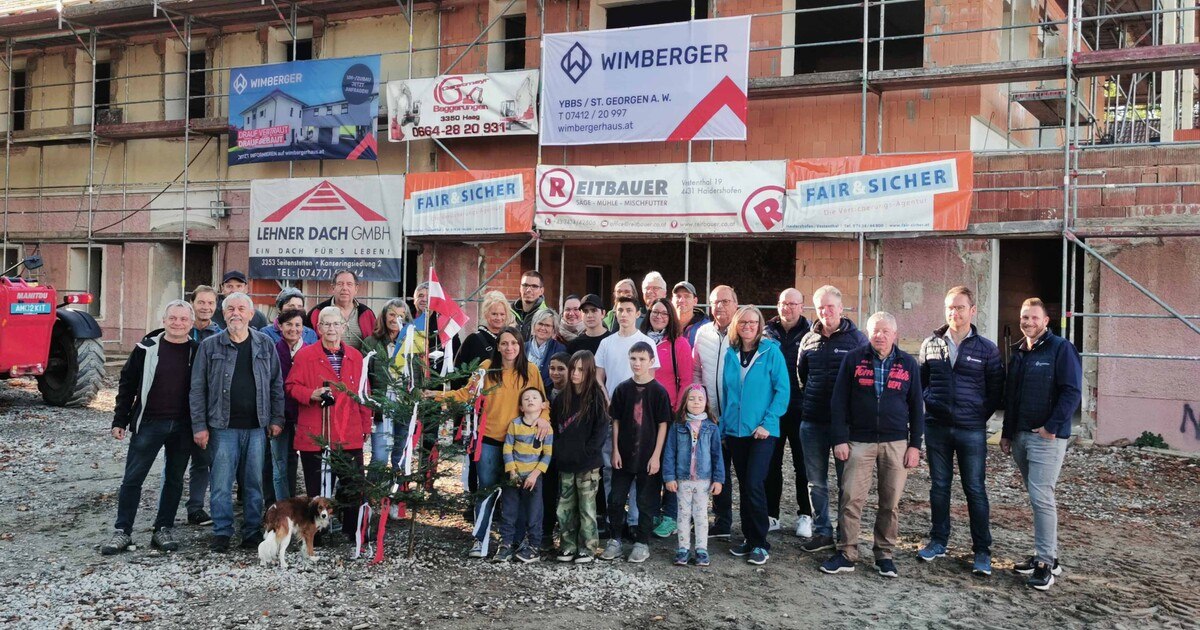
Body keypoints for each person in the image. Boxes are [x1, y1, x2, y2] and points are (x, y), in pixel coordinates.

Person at [430, 327, 550, 558]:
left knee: (515, 492)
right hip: (489, 441)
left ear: (521, 346)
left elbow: (542, 403)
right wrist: (434, 395)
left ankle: (514, 541)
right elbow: (466, 394)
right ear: (497, 346)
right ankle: (480, 538)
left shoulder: (531, 371)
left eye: (514, 343)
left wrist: (544, 420)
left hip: (519, 444)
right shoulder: (486, 368)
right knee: (485, 491)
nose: (509, 348)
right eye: (504, 343)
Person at [822, 312, 923, 579]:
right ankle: (846, 552)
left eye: (885, 331)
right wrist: (839, 439)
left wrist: (915, 445)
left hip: (896, 442)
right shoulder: (853, 359)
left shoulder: (909, 364)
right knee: (851, 498)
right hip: (858, 441)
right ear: (868, 333)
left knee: (890, 502)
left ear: (895, 334)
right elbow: (838, 401)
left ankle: (884, 554)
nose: (880, 336)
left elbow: (916, 407)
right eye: (875, 331)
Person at [917, 286, 1004, 576]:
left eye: (960, 307)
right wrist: (931, 404)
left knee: (975, 489)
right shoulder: (931, 343)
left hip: (971, 430)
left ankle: (981, 550)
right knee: (939, 487)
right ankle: (938, 540)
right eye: (950, 308)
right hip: (937, 428)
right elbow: (922, 381)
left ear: (972, 310)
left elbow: (995, 391)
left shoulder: (987, 349)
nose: (955, 313)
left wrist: (978, 414)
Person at [102, 300, 199, 555]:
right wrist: (119, 420)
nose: (177, 323)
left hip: (183, 426)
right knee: (133, 478)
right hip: (149, 423)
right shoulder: (146, 349)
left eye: (183, 319)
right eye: (173, 318)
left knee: (174, 479)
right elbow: (127, 384)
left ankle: (163, 529)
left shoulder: (197, 351)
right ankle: (123, 530)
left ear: (191, 323)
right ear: (164, 320)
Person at [190, 292, 285, 552]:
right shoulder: (210, 346)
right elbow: (197, 388)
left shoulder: (265, 344)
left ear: (251, 314)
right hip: (222, 427)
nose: (236, 313)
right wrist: (199, 425)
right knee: (221, 483)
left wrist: (277, 418)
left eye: (242, 308)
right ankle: (222, 532)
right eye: (230, 308)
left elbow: (276, 384)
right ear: (224, 313)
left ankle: (252, 533)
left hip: (257, 427)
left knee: (253, 483)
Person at [1001, 297, 1082, 591]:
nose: (1028, 322)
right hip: (1021, 436)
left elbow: (1072, 391)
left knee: (1041, 498)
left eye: (1034, 317)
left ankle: (1045, 564)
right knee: (1038, 498)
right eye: (1024, 317)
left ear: (1046, 321)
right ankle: (1049, 556)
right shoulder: (1019, 352)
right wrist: (1007, 433)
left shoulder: (1061, 349)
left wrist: (1051, 427)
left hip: (1046, 439)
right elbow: (1012, 396)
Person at [286, 306, 374, 539]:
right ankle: (317, 533)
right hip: (316, 433)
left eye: (336, 324)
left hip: (348, 432)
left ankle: (354, 531)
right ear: (318, 328)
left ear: (344, 327)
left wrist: (366, 426)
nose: (331, 329)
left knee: (354, 486)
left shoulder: (356, 357)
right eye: (326, 324)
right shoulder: (305, 356)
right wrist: (311, 394)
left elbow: (364, 395)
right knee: (317, 490)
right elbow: (291, 387)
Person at [796, 285, 867, 553]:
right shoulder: (808, 339)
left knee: (845, 483)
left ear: (841, 307)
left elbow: (863, 381)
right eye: (820, 307)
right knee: (816, 481)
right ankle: (822, 532)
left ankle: (845, 535)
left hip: (845, 427)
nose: (826, 311)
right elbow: (802, 377)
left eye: (830, 306)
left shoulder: (857, 340)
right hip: (812, 421)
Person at [721, 306, 789, 566]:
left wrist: (768, 423)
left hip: (761, 432)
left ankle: (761, 542)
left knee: (753, 483)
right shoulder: (731, 354)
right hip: (736, 432)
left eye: (753, 322)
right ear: (736, 326)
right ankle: (749, 539)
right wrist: (725, 427)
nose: (748, 326)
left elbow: (782, 391)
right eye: (743, 322)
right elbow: (727, 393)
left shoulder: (771, 352)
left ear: (760, 325)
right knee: (743, 485)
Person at [599, 342, 670, 564]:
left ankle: (642, 542)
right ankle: (615, 539)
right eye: (633, 359)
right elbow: (616, 421)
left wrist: (657, 455)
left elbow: (663, 425)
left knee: (645, 501)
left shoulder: (658, 391)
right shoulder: (622, 389)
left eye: (641, 359)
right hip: (624, 455)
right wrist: (616, 451)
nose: (637, 363)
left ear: (651, 361)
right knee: (616, 499)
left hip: (648, 456)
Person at [596, 296, 661, 537]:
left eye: (629, 310)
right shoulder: (607, 343)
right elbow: (598, 377)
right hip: (612, 414)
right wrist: (607, 399)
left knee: (637, 470)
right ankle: (615, 520)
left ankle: (634, 521)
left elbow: (651, 379)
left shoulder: (645, 342)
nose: (624, 314)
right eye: (620, 310)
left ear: (637, 313)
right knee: (611, 468)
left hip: (640, 419)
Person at [640, 296, 694, 539]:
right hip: (643, 414)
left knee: (669, 464)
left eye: (664, 313)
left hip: (668, 414)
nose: (658, 316)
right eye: (654, 312)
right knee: (649, 465)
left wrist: (677, 410)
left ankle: (671, 514)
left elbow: (686, 380)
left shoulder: (679, 344)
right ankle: (650, 511)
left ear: (671, 317)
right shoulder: (641, 342)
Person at [551, 350, 609, 564]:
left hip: (588, 464)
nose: (575, 373)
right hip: (565, 462)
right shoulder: (562, 398)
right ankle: (567, 545)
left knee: (587, 507)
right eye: (573, 368)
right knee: (565, 507)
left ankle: (588, 547)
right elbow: (554, 428)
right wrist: (559, 451)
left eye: (581, 369)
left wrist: (586, 452)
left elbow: (601, 432)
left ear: (589, 371)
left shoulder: (596, 398)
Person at [763, 288, 813, 537]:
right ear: (778, 305)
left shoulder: (813, 333)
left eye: (794, 304)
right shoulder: (766, 333)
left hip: (801, 409)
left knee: (803, 465)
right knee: (771, 464)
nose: (788, 308)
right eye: (784, 303)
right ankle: (772, 515)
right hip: (773, 410)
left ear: (802, 307)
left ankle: (805, 514)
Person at [691, 285, 738, 539]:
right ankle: (721, 522)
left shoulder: (744, 331)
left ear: (735, 304)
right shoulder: (702, 333)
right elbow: (697, 371)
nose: (719, 306)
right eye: (715, 302)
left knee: (744, 471)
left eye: (725, 301)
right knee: (716, 469)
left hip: (738, 415)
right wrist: (704, 408)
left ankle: (756, 521)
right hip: (711, 415)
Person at [662, 384, 724, 567]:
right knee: (682, 514)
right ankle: (683, 549)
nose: (696, 402)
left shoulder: (712, 428)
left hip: (703, 480)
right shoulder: (677, 426)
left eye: (700, 399)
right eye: (692, 398)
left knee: (701, 515)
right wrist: (669, 477)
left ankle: (701, 549)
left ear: (706, 403)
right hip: (682, 479)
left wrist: (718, 480)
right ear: (685, 402)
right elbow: (670, 452)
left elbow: (717, 455)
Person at [361, 298, 426, 471]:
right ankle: (373, 496)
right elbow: (364, 378)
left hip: (405, 406)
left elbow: (418, 376)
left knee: (401, 458)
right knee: (380, 458)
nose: (395, 318)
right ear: (384, 316)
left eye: (400, 315)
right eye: (391, 314)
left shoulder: (412, 343)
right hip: (381, 407)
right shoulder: (371, 342)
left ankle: (398, 495)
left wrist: (416, 399)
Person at [495, 388, 556, 563]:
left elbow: (547, 454)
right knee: (509, 510)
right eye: (526, 398)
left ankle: (534, 546)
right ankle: (506, 544)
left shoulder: (546, 429)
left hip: (534, 477)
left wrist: (535, 475)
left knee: (534, 511)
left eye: (535, 398)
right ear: (521, 407)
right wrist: (512, 471)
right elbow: (507, 448)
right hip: (513, 476)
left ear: (542, 404)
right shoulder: (515, 424)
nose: (530, 400)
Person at [184, 285, 221, 526]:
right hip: (178, 405)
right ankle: (165, 510)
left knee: (203, 460)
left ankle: (195, 508)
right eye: (201, 302)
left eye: (210, 303)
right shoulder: (179, 329)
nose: (206, 307)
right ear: (192, 303)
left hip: (205, 407)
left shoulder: (219, 335)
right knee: (174, 462)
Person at [270, 309, 312, 502]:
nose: (293, 329)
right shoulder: (273, 350)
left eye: (297, 325)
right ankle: (283, 507)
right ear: (280, 326)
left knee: (309, 463)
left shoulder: (310, 352)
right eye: (288, 324)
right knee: (280, 464)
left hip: (305, 416)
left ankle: (310, 506)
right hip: (280, 416)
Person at [306, 269, 376, 351]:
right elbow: (307, 341)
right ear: (333, 288)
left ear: (356, 289)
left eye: (349, 284)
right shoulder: (317, 312)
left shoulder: (367, 313)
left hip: (359, 362)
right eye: (340, 284)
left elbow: (375, 343)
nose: (344, 288)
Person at [455, 290, 514, 371]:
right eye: (494, 314)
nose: (498, 318)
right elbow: (459, 371)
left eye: (502, 314)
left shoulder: (512, 339)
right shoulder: (472, 340)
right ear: (486, 314)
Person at [526, 309, 566, 388]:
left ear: (553, 329)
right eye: (540, 324)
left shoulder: (560, 349)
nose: (543, 328)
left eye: (547, 325)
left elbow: (560, 376)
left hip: (547, 394)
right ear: (534, 325)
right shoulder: (522, 347)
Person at [511, 270, 550, 340]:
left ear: (541, 291)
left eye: (534, 286)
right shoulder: (509, 313)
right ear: (520, 288)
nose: (528, 290)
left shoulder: (547, 317)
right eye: (525, 285)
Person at [672, 281, 708, 345]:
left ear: (695, 301)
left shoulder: (706, 327)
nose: (681, 300)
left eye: (686, 296)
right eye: (678, 296)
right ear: (672, 300)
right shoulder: (665, 324)